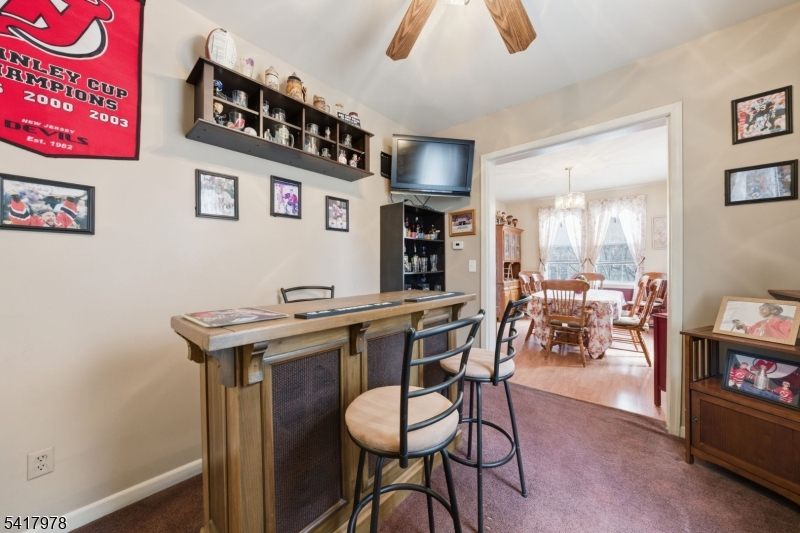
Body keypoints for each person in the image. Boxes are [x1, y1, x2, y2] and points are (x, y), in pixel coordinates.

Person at [7, 192, 78, 228]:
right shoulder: (34, 222)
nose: (52, 217)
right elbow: (21, 217)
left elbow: (67, 214)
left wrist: (70, 198)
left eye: (53, 216)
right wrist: (15, 196)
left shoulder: (59, 222)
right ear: (39, 217)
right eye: (48, 215)